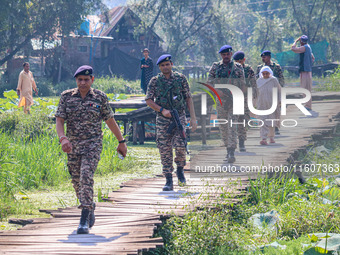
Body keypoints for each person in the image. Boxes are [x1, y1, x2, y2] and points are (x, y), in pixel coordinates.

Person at [55, 65, 127, 234]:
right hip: (72, 145)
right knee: (76, 180)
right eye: (80, 80)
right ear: (76, 81)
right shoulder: (66, 97)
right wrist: (62, 138)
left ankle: (84, 218)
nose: (83, 83)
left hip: (92, 145)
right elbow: (59, 120)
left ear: (92, 80)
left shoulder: (100, 97)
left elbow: (110, 120)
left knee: (86, 175)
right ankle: (89, 204)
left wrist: (121, 141)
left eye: (86, 80)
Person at [145, 54, 197, 191]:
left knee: (180, 146)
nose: (165, 67)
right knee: (164, 148)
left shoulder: (180, 79)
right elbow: (149, 101)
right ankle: (168, 179)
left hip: (178, 116)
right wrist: (162, 110)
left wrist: (193, 118)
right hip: (163, 119)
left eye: (167, 64)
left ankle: (180, 170)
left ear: (171, 64)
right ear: (159, 67)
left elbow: (188, 98)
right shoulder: (155, 81)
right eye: (162, 65)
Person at [207, 45, 246, 163]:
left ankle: (231, 150)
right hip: (221, 100)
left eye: (228, 54)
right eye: (224, 55)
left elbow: (243, 84)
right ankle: (227, 148)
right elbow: (209, 83)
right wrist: (217, 91)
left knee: (232, 124)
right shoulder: (215, 67)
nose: (226, 56)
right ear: (221, 55)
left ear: (231, 54)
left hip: (234, 100)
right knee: (223, 125)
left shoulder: (238, 67)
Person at [233, 51, 257, 152]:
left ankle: (242, 142)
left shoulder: (248, 69)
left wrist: (254, 94)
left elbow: (253, 82)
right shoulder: (232, 69)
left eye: (240, 61)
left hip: (245, 98)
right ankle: (231, 143)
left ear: (244, 60)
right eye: (236, 61)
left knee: (243, 120)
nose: (238, 63)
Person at [256, 50, 284, 135]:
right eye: (262, 57)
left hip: (274, 91)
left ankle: (275, 128)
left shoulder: (276, 66)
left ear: (269, 57)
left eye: (265, 57)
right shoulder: (259, 68)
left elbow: (281, 79)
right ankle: (265, 129)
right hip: (264, 93)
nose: (263, 59)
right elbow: (257, 80)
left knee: (274, 111)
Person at [256, 66, 281, 145]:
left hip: (272, 103)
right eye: (264, 73)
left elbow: (279, 91)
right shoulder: (259, 81)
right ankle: (263, 138)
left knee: (271, 121)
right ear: (261, 73)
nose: (265, 75)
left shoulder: (274, 80)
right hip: (261, 104)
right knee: (262, 121)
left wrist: (279, 100)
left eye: (267, 73)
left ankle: (271, 137)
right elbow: (255, 93)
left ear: (270, 73)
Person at [291, 35, 315, 111]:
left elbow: (293, 49)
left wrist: (295, 41)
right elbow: (313, 58)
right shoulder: (308, 47)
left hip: (305, 71)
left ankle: (308, 106)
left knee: (305, 88)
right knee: (306, 88)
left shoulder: (304, 47)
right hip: (307, 70)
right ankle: (307, 105)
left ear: (301, 41)